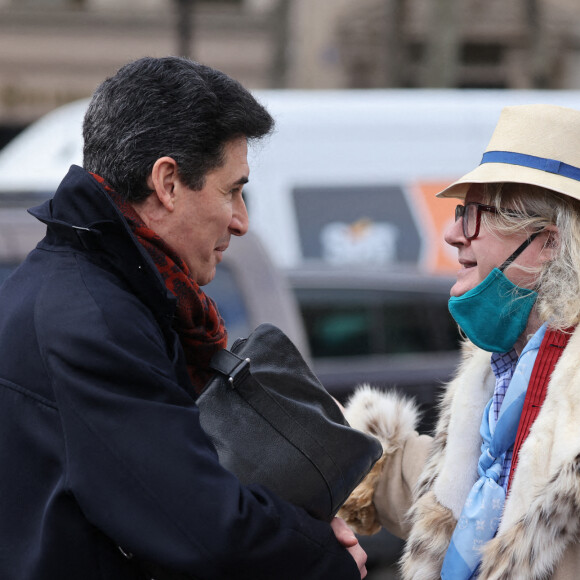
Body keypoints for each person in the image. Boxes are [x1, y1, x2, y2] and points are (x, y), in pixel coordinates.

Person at [0, 56, 367, 580]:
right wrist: (321, 555)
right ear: (168, 182)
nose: (241, 221)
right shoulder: (95, 319)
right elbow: (198, 524)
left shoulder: (79, 290)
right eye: (233, 190)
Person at [338, 103, 580, 580]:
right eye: (457, 213)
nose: (451, 235)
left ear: (548, 242)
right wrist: (343, 456)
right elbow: (466, 495)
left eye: (473, 215)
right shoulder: (499, 368)